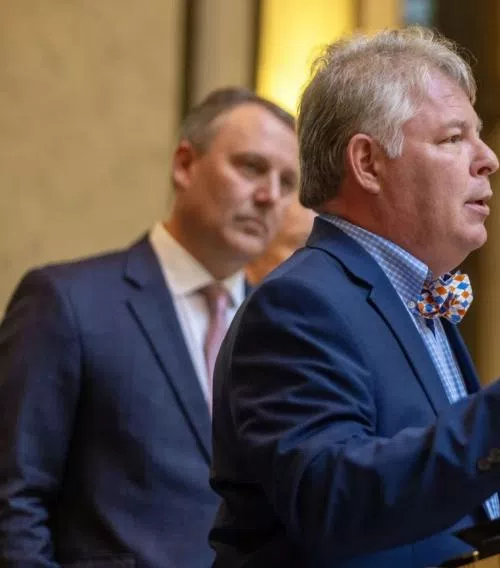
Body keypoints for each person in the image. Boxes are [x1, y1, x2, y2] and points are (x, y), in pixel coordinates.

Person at [209, 28, 500, 568]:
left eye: (479, 136)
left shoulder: (417, 300)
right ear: (368, 163)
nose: (489, 158)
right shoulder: (299, 304)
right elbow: (333, 501)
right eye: (454, 138)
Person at [0, 87, 299, 567]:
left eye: (287, 183)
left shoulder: (282, 329)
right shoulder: (67, 302)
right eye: (251, 167)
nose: (269, 197)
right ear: (185, 165)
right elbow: (14, 499)